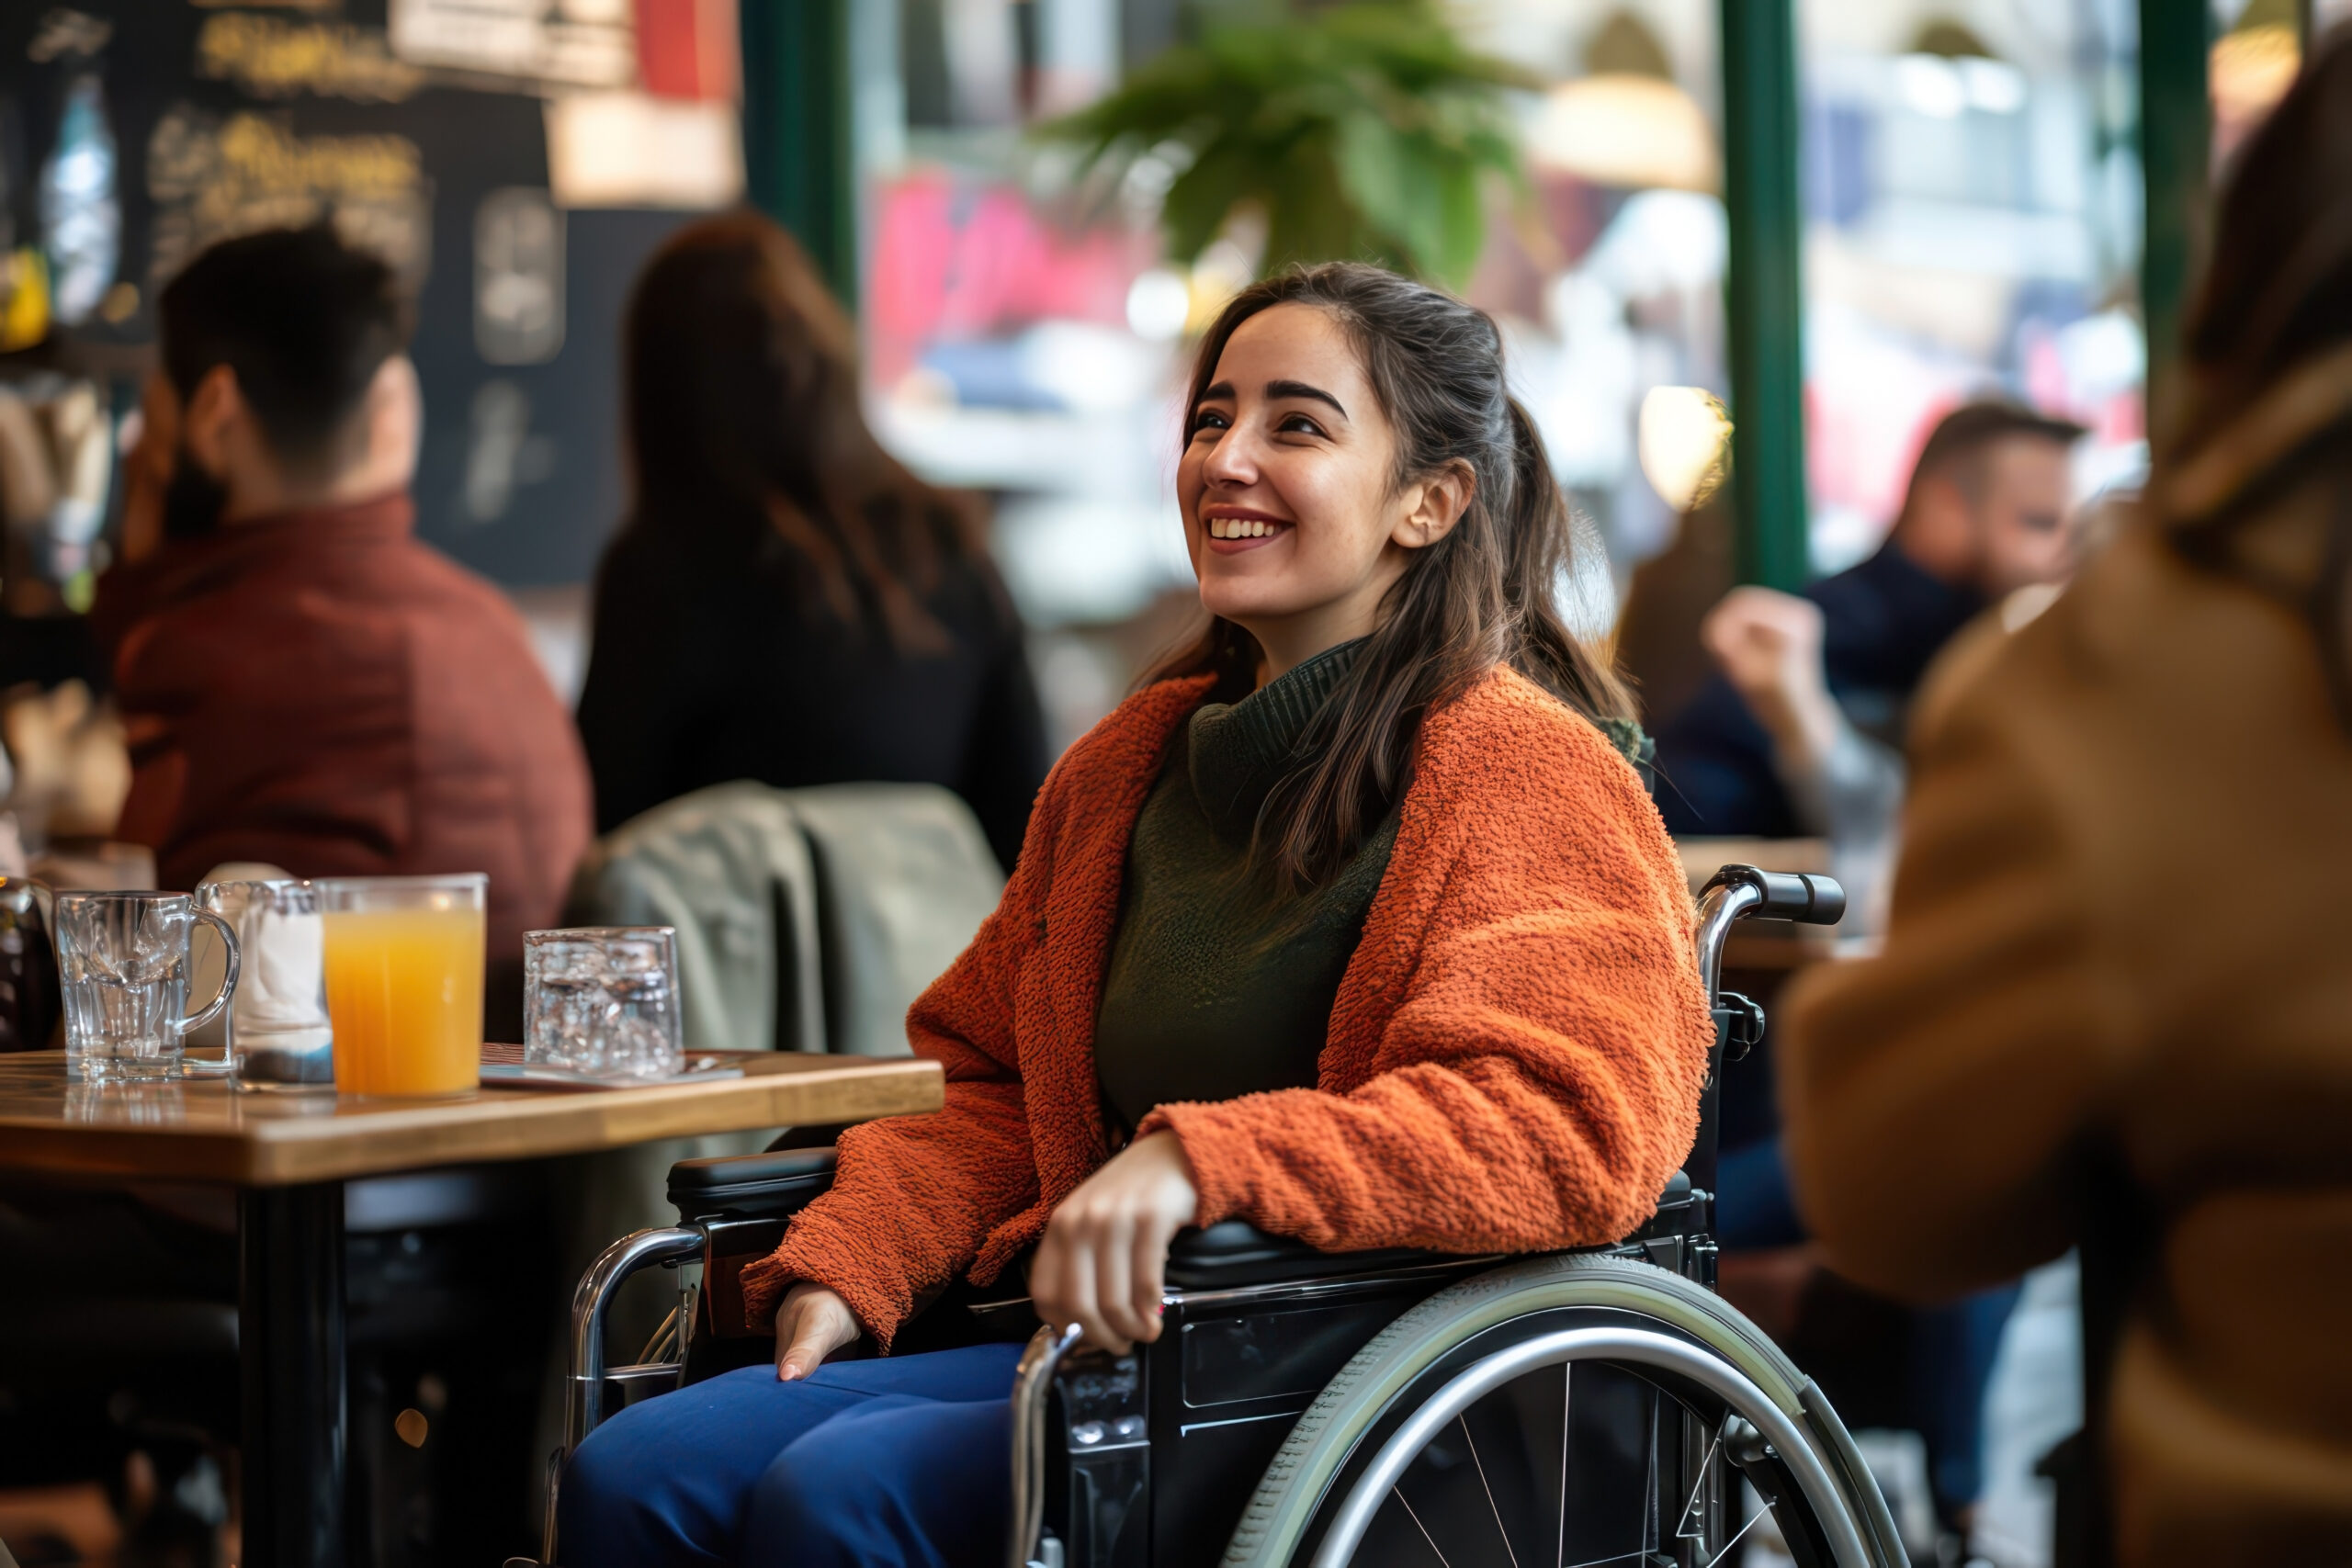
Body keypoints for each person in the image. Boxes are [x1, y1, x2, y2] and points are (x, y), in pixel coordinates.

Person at [559, 263, 1713, 1566]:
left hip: (1340, 1378)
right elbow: (991, 1080)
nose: (1227, 458)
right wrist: (860, 1250)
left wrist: (1200, 1160)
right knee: (631, 1471)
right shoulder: (1128, 769)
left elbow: (1569, 1123)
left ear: (1430, 500)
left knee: (837, 1496)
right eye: (1212, 418)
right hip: (1110, 1341)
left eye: (1297, 424)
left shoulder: (1524, 769)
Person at [1780, 39, 2352, 1568]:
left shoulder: (2142, 666)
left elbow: (1911, 1186)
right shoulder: (1863, 627)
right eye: (2032, 525)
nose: (2053, 559)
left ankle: (1959, 1502)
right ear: (1950, 507)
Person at [95, 224, 591, 981]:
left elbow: (139, 954)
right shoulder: (491, 625)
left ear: (214, 409)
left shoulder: (209, 648)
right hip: (515, 1077)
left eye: (151, 397)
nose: (137, 438)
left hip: (341, 1090)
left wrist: (141, 533)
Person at [572, 213, 1046, 872]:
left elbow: (609, 837)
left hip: (732, 972)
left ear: (662, 396)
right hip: (943, 966)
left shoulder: (660, 574)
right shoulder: (947, 541)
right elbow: (1029, 826)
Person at [1651, 400, 2084, 843]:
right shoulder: (1859, 636)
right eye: (2041, 523)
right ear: (1946, 507)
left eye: (2078, 530)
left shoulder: (1957, 635)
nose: (2068, 555)